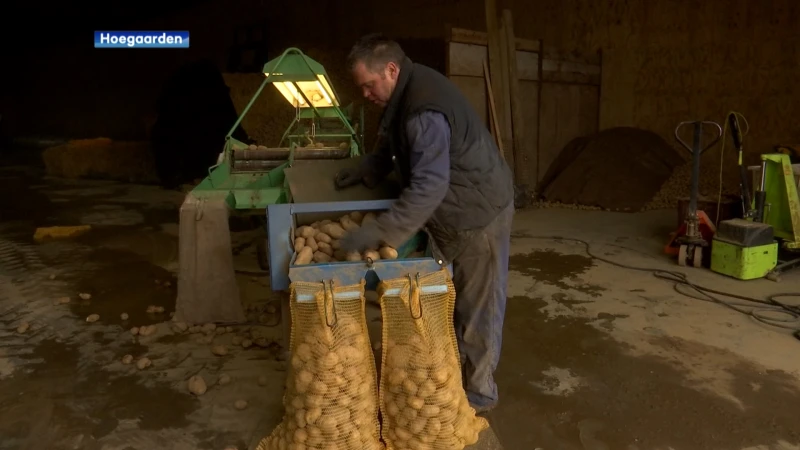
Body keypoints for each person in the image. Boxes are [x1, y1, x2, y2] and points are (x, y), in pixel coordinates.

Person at [333, 33, 515, 413]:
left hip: (478, 211)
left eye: (368, 85)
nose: (365, 94)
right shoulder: (406, 91)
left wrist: (382, 230)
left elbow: (431, 184)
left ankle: (479, 395)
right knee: (450, 301)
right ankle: (447, 372)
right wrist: (371, 166)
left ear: (391, 70)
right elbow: (395, 142)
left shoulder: (423, 110)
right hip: (456, 208)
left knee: (478, 308)